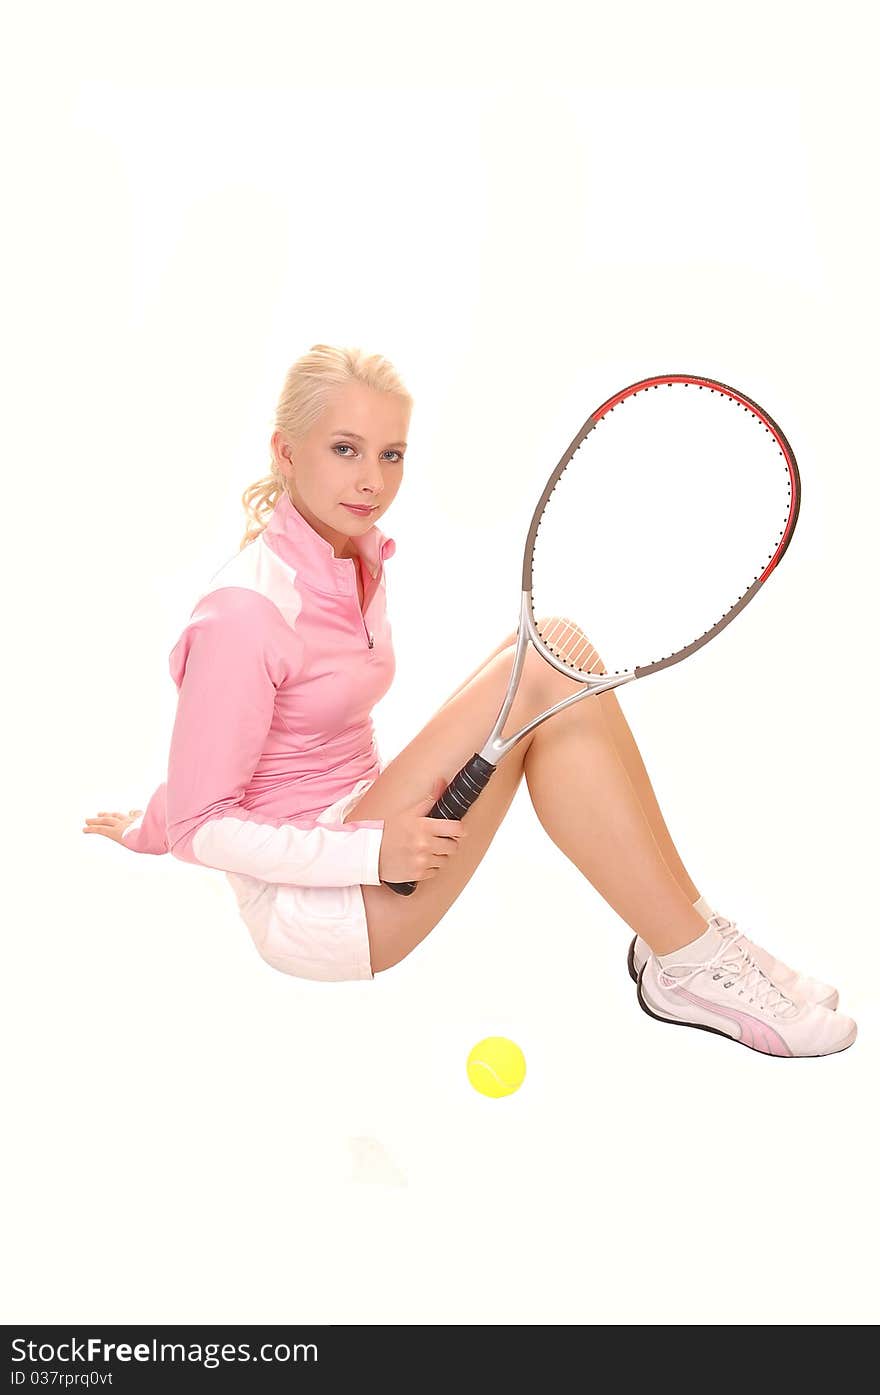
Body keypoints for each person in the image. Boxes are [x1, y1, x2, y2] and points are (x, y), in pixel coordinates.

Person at [82, 343, 856, 1059]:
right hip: (325, 903)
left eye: (390, 455)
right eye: (345, 449)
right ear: (286, 452)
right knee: (548, 662)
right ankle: (689, 959)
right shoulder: (247, 610)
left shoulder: (351, 559)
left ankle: (689, 939)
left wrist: (151, 820)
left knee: (564, 653)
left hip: (362, 822)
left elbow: (233, 755)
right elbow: (202, 826)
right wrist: (366, 851)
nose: (372, 480)